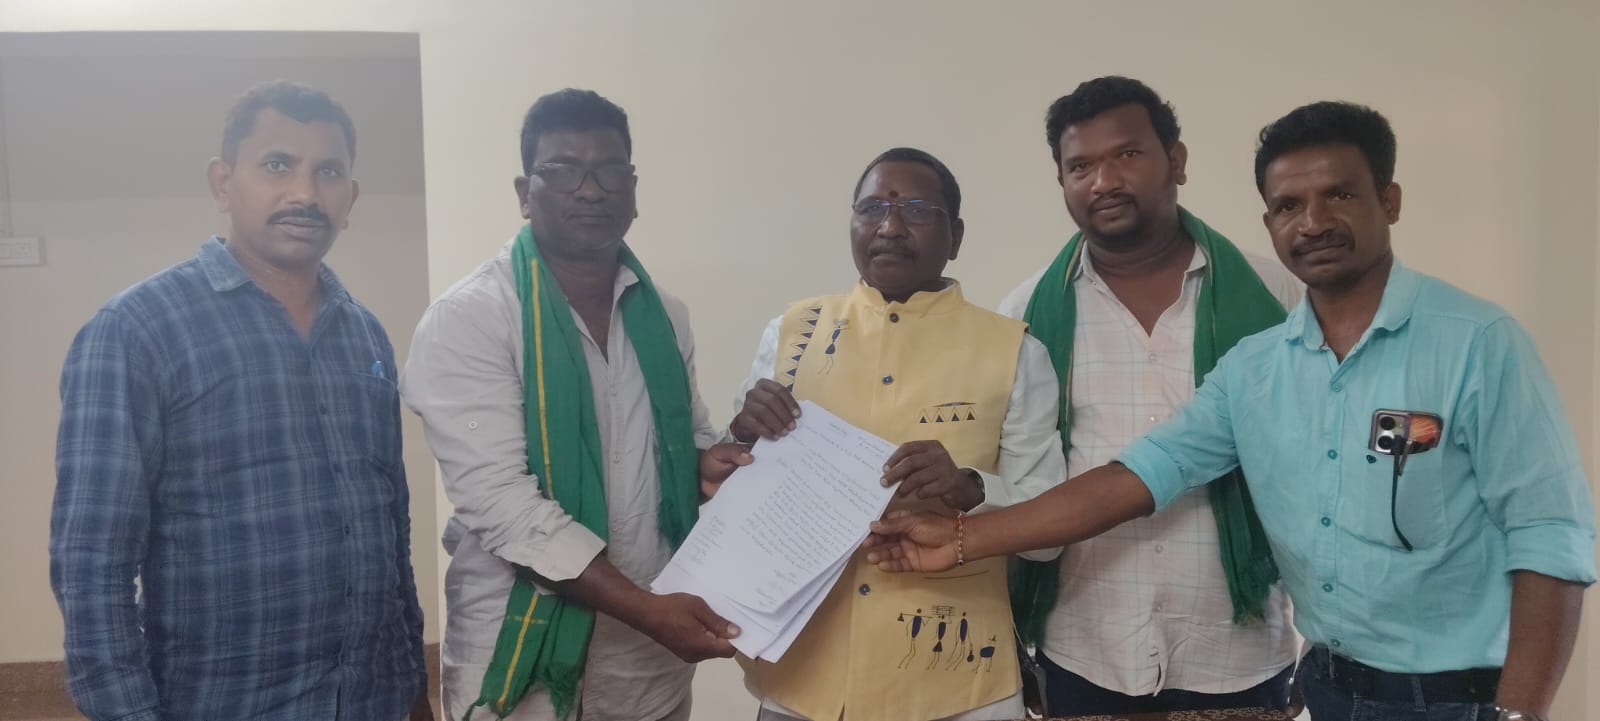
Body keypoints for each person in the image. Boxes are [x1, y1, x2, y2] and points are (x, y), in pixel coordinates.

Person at [865, 101, 1595, 721]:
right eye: (1288, 206)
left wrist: (1519, 713)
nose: (1313, 222)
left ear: (1390, 201)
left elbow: (1550, 536)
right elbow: (1136, 475)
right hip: (1319, 686)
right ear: (1269, 219)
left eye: (1340, 195)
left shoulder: (1474, 343)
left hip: (1451, 696)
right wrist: (961, 538)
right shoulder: (1257, 364)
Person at [51, 80, 431, 721]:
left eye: (328, 171)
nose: (305, 193)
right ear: (223, 183)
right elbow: (92, 563)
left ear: (350, 198)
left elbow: (390, 530)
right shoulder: (139, 330)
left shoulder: (364, 333)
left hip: (373, 700)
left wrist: (413, 689)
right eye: (278, 165)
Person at [401, 88, 744, 721]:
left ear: (633, 190)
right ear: (524, 191)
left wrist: (707, 462)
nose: (590, 191)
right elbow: (501, 505)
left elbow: (683, 439)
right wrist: (647, 610)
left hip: (649, 663)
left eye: (609, 172)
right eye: (563, 171)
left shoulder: (666, 316)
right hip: (520, 659)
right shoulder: (472, 317)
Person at [716, 147, 1066, 721]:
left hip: (956, 684)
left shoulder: (1015, 353)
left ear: (956, 236)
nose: (890, 227)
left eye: (918, 210)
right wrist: (740, 436)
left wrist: (970, 489)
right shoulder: (791, 333)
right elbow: (732, 488)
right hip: (803, 677)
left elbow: (1049, 534)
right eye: (872, 208)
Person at [998, 76, 1300, 715]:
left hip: (1237, 650)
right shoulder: (1025, 316)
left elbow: (1322, 469)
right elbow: (1015, 477)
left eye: (1127, 154)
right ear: (1062, 182)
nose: (1103, 181)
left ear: (1177, 161)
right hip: (1083, 648)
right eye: (1080, 166)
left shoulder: (1276, 298)